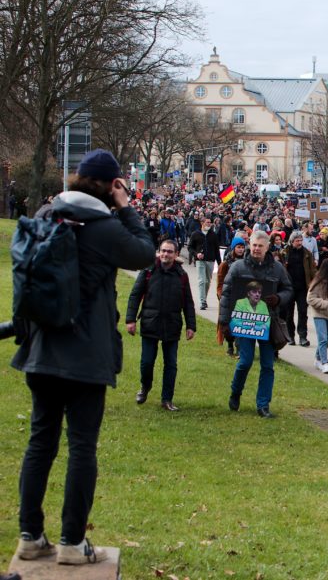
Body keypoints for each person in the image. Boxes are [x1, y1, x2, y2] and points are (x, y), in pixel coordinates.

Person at [13, 149, 155, 565]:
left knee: (40, 442)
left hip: (41, 348)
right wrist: (127, 207)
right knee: (81, 447)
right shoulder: (105, 227)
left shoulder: (46, 214)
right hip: (85, 355)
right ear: (112, 185)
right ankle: (73, 542)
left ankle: (30, 536)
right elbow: (144, 252)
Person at [219, 230, 293, 418]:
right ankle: (235, 392)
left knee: (268, 365)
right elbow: (226, 296)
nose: (257, 249)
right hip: (244, 321)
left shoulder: (277, 268)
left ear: (267, 246)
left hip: (268, 321)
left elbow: (288, 289)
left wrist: (278, 298)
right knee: (245, 361)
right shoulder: (237, 267)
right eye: (254, 245)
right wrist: (224, 322)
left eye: (261, 246)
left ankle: (263, 405)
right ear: (249, 245)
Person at [125, 239, 197, 411]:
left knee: (171, 364)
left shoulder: (181, 275)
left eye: (170, 251)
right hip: (151, 322)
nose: (166, 254)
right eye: (163, 250)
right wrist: (130, 320)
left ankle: (167, 399)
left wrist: (191, 326)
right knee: (147, 362)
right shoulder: (149, 270)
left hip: (172, 324)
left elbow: (188, 302)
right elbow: (135, 295)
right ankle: (145, 386)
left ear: (176, 254)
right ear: (159, 252)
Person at [281, 230, 316, 346]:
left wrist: (312, 283)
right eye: (297, 241)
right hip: (289, 288)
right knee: (289, 313)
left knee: (302, 312)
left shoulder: (307, 254)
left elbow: (312, 270)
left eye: (301, 240)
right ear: (292, 241)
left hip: (302, 288)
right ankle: (290, 336)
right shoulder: (285, 253)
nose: (300, 242)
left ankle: (303, 337)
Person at [307, 259, 328, 374]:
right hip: (319, 314)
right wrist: (325, 304)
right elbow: (310, 298)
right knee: (323, 339)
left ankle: (317, 359)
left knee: (326, 340)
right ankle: (324, 362)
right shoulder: (317, 282)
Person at [217, 236, 246, 357]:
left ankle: (239, 347)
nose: (241, 250)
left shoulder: (246, 263)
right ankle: (230, 345)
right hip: (228, 297)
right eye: (238, 247)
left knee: (240, 323)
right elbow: (220, 282)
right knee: (228, 324)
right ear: (233, 248)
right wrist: (221, 295)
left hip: (242, 298)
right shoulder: (225, 264)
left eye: (242, 247)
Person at [188, 217, 221, 310]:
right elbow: (190, 247)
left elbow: (217, 250)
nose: (209, 224)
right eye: (207, 222)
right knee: (201, 281)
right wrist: (196, 254)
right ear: (202, 223)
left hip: (210, 261)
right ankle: (202, 301)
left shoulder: (213, 235)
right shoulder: (195, 234)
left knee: (207, 281)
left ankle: (204, 299)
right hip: (200, 261)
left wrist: (220, 263)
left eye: (210, 222)